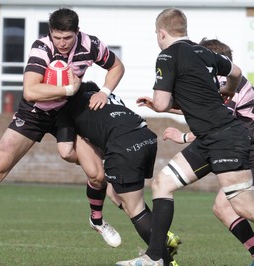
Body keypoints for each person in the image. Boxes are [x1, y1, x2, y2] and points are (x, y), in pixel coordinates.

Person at [0, 8, 125, 253]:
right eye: (57, 37)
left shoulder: (91, 45)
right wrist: (68, 89)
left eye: (67, 38)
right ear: (50, 33)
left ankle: (96, 220)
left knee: (97, 174)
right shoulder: (41, 48)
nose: (62, 43)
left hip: (68, 114)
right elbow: (31, 91)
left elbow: (117, 66)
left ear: (77, 32)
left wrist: (104, 92)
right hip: (34, 113)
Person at [116, 8, 254, 266]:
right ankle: (155, 257)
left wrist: (161, 104)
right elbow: (236, 72)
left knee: (243, 205)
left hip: (225, 137)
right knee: (162, 184)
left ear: (161, 33)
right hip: (209, 139)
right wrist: (228, 91)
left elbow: (160, 102)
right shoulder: (206, 54)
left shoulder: (167, 56)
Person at [57, 81, 179, 266]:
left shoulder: (69, 106)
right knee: (114, 194)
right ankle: (162, 237)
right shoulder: (109, 98)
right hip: (146, 138)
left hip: (124, 145)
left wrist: (84, 158)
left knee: (134, 208)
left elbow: (65, 152)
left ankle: (164, 260)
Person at [161, 37, 254, 263]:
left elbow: (217, 124)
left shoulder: (231, 84)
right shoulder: (225, 83)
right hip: (243, 147)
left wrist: (183, 137)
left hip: (247, 149)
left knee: (231, 205)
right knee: (223, 207)